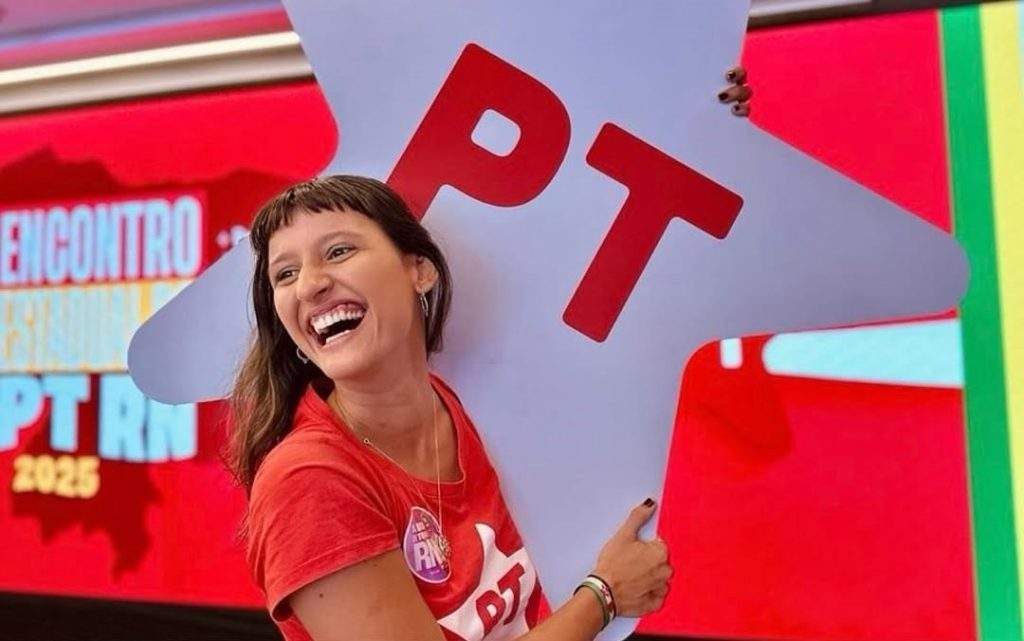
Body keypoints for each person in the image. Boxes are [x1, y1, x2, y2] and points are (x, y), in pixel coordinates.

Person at [227, 68, 751, 641]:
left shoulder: (469, 395)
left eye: (338, 251)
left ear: (419, 270)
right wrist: (603, 596)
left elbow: (607, 229)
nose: (310, 285)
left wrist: (693, 117)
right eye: (285, 274)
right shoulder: (309, 482)